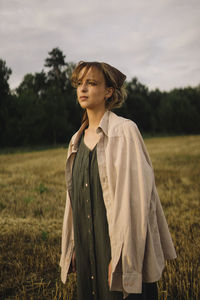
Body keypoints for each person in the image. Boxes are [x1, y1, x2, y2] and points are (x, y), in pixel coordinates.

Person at [60, 61, 176, 300]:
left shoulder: (125, 132)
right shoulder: (75, 141)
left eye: (91, 83)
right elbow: (75, 204)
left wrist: (124, 257)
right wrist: (73, 246)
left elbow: (138, 202)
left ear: (108, 91)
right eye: (79, 83)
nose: (83, 89)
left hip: (117, 249)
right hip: (87, 251)